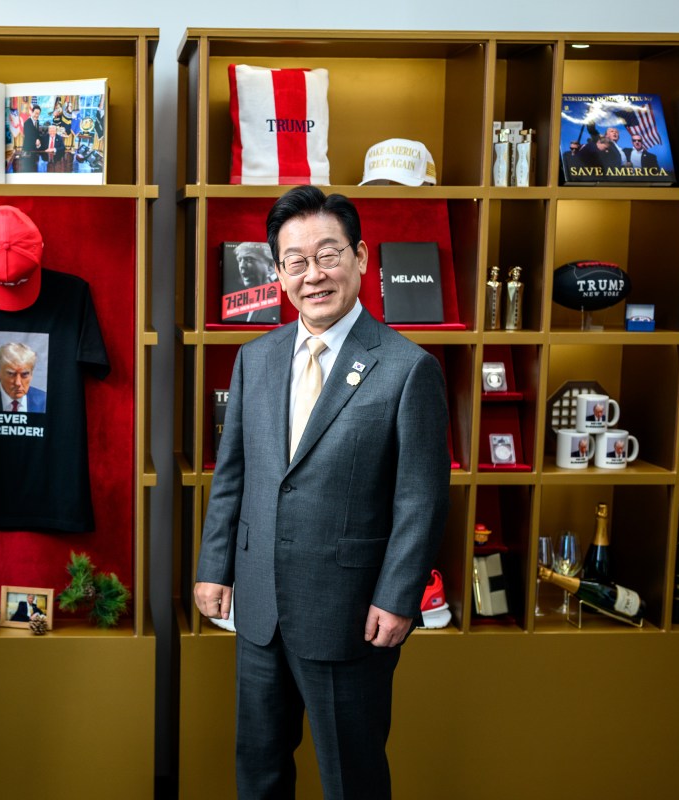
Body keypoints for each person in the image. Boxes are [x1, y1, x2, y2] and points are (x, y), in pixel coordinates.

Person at [194, 186, 450, 799]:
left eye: (328, 254)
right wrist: (214, 567)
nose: (314, 274)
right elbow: (233, 475)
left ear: (361, 257)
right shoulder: (255, 358)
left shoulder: (407, 367)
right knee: (258, 773)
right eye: (296, 261)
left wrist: (398, 597)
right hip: (259, 609)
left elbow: (421, 497)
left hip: (350, 613)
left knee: (351, 780)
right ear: (278, 272)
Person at [0, 341, 47, 412]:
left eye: (25, 374)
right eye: (11, 374)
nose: (18, 383)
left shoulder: (45, 401)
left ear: (31, 374)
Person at [231, 241, 280, 323]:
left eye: (249, 259)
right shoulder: (250, 300)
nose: (241, 266)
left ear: (270, 266)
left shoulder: (273, 305)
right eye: (240, 260)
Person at [16, 104, 49, 174]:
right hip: (27, 150)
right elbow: (28, 136)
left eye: (38, 114)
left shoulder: (37, 122)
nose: (37, 115)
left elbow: (37, 134)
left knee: (35, 169)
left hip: (35, 150)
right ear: (32, 112)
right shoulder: (27, 123)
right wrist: (36, 140)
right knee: (27, 170)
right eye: (36, 113)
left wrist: (40, 140)